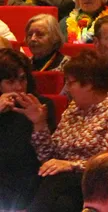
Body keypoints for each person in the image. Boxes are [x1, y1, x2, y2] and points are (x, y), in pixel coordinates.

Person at [18, 51, 108, 212]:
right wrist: (39, 123)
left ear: (88, 84)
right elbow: (49, 157)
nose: (66, 89)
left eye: (70, 83)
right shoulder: (73, 109)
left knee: (59, 182)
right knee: (52, 190)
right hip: (62, 186)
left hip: (98, 186)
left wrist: (71, 165)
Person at [0, 48, 57, 210]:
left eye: (22, 79)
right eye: (10, 82)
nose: (19, 87)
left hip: (29, 177)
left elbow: (47, 157)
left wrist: (39, 123)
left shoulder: (42, 105)